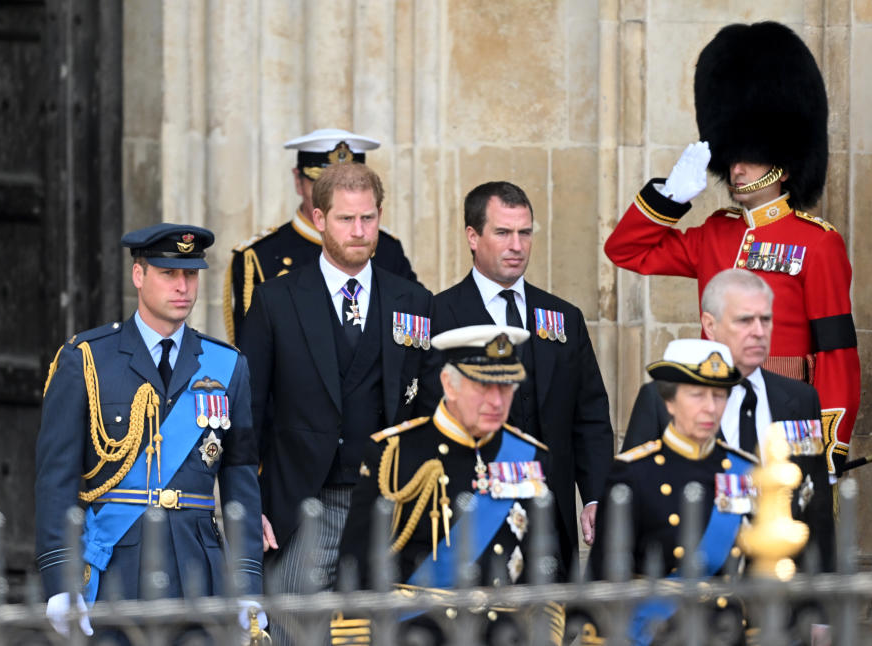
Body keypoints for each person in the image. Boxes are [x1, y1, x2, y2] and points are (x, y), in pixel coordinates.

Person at [604, 21, 859, 480]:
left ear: (782, 162)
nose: (735, 168)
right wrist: (671, 197)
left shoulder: (818, 242)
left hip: (780, 420)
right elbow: (626, 251)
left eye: (749, 156)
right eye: (732, 155)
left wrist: (828, 445)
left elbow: (835, 352)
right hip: (709, 413)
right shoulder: (716, 234)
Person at [236, 162, 437, 643]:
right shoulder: (275, 301)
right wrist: (251, 504)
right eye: (346, 219)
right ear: (319, 217)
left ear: (380, 217)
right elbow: (246, 415)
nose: (359, 230)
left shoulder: (413, 300)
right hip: (304, 505)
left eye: (368, 218)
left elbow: (429, 411)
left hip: (388, 506)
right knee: (293, 633)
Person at [35, 223, 265, 639]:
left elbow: (240, 481)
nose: (183, 287)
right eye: (168, 273)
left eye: (191, 274)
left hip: (198, 569)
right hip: (113, 568)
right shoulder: (87, 360)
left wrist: (248, 585)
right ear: (139, 275)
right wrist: (59, 580)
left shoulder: (226, 365)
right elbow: (57, 480)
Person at [334, 325, 565, 646]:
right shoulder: (396, 452)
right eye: (484, 386)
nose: (497, 401)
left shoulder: (531, 456)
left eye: (506, 387)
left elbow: (547, 569)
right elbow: (355, 570)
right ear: (449, 384)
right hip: (416, 635)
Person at [433, 181, 613, 569]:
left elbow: (591, 418)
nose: (517, 245)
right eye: (502, 232)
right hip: (474, 524)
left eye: (525, 232)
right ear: (472, 237)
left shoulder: (563, 318)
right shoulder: (437, 316)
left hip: (554, 522)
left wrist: (596, 496)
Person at [620, 268, 834, 570]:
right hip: (696, 589)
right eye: (745, 320)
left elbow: (817, 510)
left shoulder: (800, 399)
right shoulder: (660, 398)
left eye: (766, 319)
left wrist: (820, 609)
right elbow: (631, 504)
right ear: (710, 324)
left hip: (781, 592)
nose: (759, 331)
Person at [589, 339, 750, 644]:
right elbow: (605, 578)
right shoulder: (633, 471)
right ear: (669, 401)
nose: (710, 407)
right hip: (655, 633)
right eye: (696, 395)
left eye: (719, 395)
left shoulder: (744, 471)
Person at [223, 128, 417, 343]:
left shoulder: (388, 249)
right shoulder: (260, 256)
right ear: (298, 181)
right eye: (321, 183)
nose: (334, 194)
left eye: (349, 185)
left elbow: (412, 338)